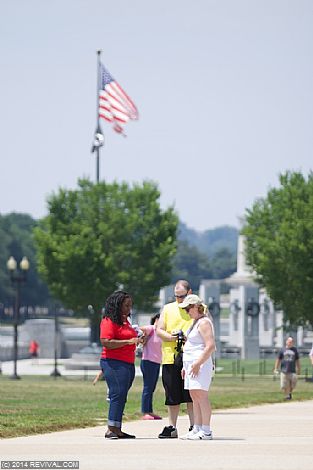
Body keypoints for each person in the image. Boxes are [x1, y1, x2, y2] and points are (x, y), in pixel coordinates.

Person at [100, 290, 143, 439]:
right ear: (117, 305)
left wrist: (138, 339)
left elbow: (131, 337)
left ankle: (117, 428)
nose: (128, 309)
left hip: (127, 363)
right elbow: (106, 342)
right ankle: (110, 429)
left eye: (130, 306)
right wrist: (127, 341)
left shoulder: (125, 321)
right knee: (117, 393)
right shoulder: (108, 320)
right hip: (113, 362)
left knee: (122, 395)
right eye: (126, 306)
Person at [156, 279, 194, 438]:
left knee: (191, 394)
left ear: (189, 293)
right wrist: (172, 338)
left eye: (182, 296)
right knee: (172, 393)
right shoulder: (168, 308)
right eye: (177, 296)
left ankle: (194, 425)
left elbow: (206, 328)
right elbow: (159, 330)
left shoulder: (198, 308)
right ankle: (172, 426)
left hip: (191, 356)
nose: (179, 300)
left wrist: (188, 338)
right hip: (171, 357)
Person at [179, 294, 215, 440]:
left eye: (188, 308)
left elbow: (210, 345)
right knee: (194, 396)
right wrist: (185, 366)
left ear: (196, 307)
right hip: (191, 364)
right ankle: (197, 428)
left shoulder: (204, 322)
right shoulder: (195, 322)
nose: (187, 311)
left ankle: (206, 430)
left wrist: (198, 363)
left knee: (201, 396)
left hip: (200, 364)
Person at [139, 313, 162, 420]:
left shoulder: (162, 332)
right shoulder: (151, 329)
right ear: (156, 320)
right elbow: (138, 329)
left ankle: (150, 411)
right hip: (148, 361)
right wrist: (143, 336)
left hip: (156, 362)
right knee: (148, 387)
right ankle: (145, 412)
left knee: (152, 387)